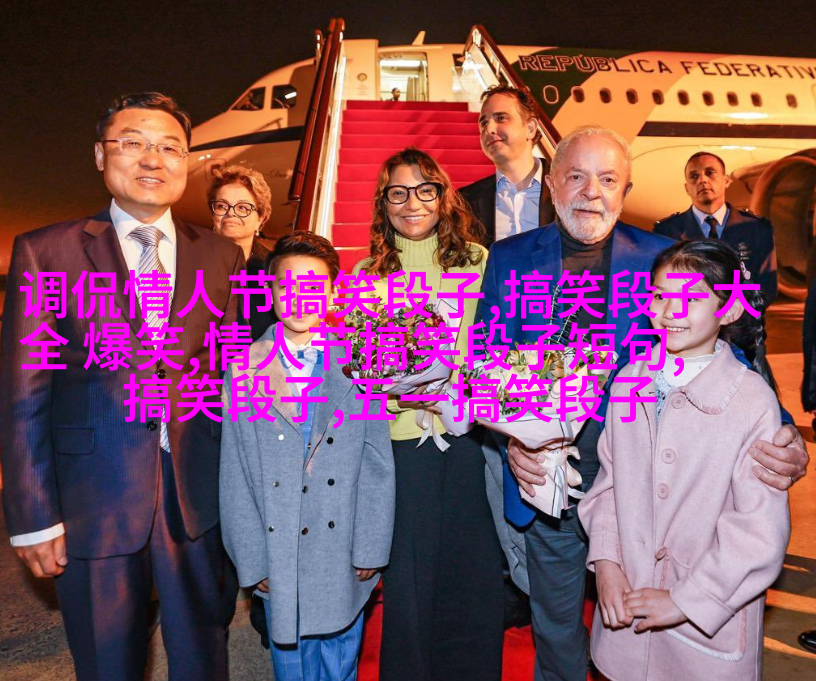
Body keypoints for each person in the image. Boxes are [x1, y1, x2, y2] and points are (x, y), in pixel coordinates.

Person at [482, 125, 809, 681]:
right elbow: (486, 363)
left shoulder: (663, 259)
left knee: (644, 621)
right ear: (552, 183)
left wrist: (785, 432)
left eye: (608, 179)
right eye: (577, 176)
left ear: (626, 189)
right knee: (555, 626)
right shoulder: (510, 259)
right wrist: (512, 440)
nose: (592, 192)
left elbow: (731, 351)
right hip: (548, 478)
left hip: (641, 478)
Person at [0, 92, 242, 681]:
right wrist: (33, 516)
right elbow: (23, 394)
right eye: (133, 143)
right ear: (100, 155)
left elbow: (230, 380)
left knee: (203, 657)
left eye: (169, 147)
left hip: (196, 499)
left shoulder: (221, 255)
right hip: (94, 497)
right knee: (107, 661)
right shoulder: (46, 252)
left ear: (186, 162)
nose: (152, 159)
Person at [579, 239, 789, 680]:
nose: (670, 310)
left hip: (704, 628)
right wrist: (608, 565)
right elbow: (610, 486)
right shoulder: (628, 382)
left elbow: (758, 531)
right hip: (628, 608)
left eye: (691, 298)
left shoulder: (752, 402)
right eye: (659, 295)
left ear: (730, 309)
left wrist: (686, 600)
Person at [353, 147, 504, 681]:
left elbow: (496, 350)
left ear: (443, 196)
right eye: (397, 193)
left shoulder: (478, 261)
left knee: (473, 573)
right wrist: (399, 392)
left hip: (471, 439)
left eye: (425, 190)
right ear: (383, 203)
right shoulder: (367, 273)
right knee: (410, 579)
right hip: (401, 446)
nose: (412, 203)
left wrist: (459, 387)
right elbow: (364, 367)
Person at [220, 231, 395, 681]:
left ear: (333, 293)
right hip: (280, 546)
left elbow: (376, 462)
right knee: (292, 659)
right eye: (287, 286)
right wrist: (252, 559)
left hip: (340, 544)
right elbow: (235, 473)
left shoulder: (359, 362)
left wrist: (371, 545)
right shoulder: (244, 368)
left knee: (341, 656)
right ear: (270, 291)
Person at [653, 151, 778, 306]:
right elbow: (661, 288)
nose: (702, 180)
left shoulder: (757, 229)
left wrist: (731, 314)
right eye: (694, 176)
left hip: (741, 319)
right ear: (687, 188)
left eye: (710, 173)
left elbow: (766, 288)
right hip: (688, 318)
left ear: (726, 180)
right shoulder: (666, 231)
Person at [459, 86, 555, 246]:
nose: (489, 129)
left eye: (501, 118)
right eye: (484, 123)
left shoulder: (567, 186)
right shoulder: (465, 201)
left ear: (530, 128)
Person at [208, 164, 277, 340]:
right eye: (222, 206)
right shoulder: (191, 264)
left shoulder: (275, 269)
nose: (231, 213)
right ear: (213, 215)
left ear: (260, 219)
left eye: (243, 208)